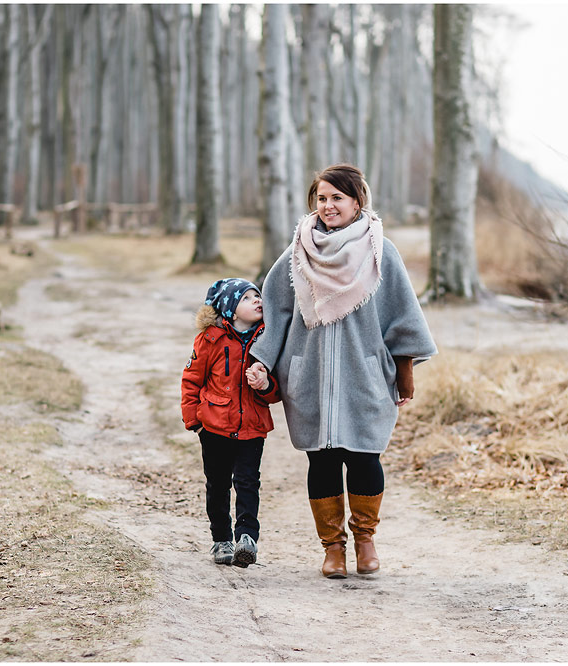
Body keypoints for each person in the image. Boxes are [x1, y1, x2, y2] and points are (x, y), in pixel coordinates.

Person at [246, 164, 437, 579]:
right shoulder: (297, 253)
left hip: (364, 374)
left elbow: (402, 316)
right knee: (323, 461)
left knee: (366, 457)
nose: (328, 206)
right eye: (322, 198)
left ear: (357, 202)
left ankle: (365, 540)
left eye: (338, 198)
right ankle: (332, 548)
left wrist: (405, 372)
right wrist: (263, 361)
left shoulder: (380, 252)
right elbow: (275, 313)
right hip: (310, 375)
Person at [181, 278, 281, 567]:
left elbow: (278, 390)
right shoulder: (210, 339)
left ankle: (247, 537)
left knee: (248, 483)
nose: (258, 301)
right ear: (231, 310)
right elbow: (191, 381)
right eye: (248, 298)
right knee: (218, 485)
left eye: (259, 296)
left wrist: (264, 385)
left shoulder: (267, 340)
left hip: (253, 427)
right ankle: (221, 539)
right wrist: (195, 422)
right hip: (214, 428)